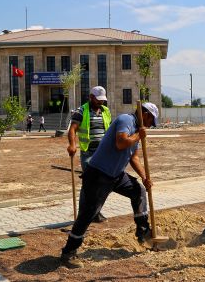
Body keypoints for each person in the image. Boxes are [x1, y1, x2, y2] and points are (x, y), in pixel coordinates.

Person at [59, 102, 160, 269]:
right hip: (99, 173)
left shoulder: (136, 130)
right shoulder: (126, 120)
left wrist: (144, 177)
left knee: (138, 191)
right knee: (89, 214)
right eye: (151, 121)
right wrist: (138, 136)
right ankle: (68, 252)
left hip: (116, 175)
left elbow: (133, 157)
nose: (150, 125)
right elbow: (121, 143)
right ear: (145, 114)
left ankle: (143, 232)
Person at [67, 86, 112, 223]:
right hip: (88, 153)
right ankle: (83, 214)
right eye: (98, 100)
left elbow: (109, 129)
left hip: (103, 153)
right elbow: (72, 129)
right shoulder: (82, 110)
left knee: (103, 184)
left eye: (102, 100)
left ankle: (95, 212)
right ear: (91, 97)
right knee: (89, 184)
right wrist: (72, 144)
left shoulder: (105, 111)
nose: (101, 103)